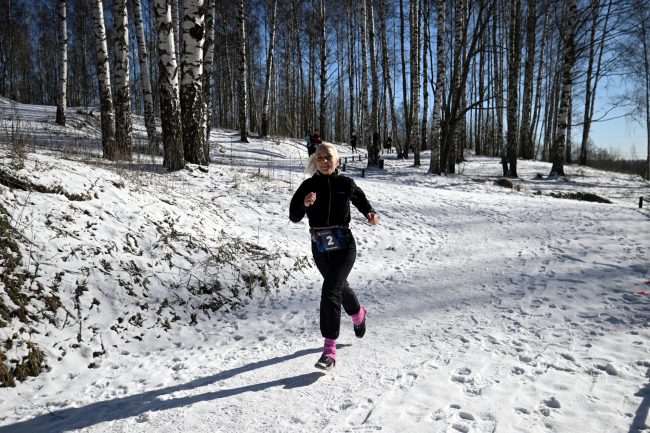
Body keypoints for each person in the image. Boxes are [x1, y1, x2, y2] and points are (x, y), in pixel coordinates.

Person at [289, 142, 379, 370]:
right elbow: (294, 215)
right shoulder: (308, 186)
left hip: (344, 246)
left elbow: (361, 200)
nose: (323, 161)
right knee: (338, 287)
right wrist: (304, 203)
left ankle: (329, 350)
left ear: (337, 160)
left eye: (328, 157)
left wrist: (370, 213)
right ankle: (358, 312)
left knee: (330, 290)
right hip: (320, 247)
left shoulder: (345, 183)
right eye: (319, 158)